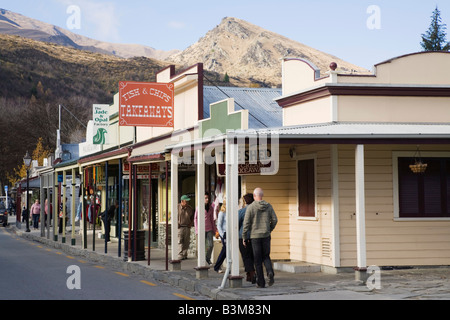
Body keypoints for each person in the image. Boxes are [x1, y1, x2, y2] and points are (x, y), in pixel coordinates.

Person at [242, 188, 278, 288]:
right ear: (262, 195)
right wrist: (269, 229)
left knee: (257, 260)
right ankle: (270, 272)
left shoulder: (251, 207)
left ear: (254, 196)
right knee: (266, 256)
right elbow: (275, 220)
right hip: (266, 235)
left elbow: (246, 223)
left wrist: (245, 236)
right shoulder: (268, 206)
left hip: (255, 236)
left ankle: (261, 283)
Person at [194, 193, 217, 265]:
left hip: (209, 228)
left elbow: (212, 220)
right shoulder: (198, 208)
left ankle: (208, 258)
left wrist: (215, 229)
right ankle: (201, 259)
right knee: (202, 245)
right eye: (205, 198)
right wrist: (197, 229)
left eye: (207, 198)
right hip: (201, 229)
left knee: (210, 245)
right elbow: (195, 219)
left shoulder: (211, 208)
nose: (207, 199)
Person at [239, 193, 256, 284]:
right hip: (254, 236)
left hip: (243, 236)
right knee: (252, 256)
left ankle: (252, 273)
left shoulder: (242, 211)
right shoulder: (256, 210)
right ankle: (249, 275)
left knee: (246, 256)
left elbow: (237, 223)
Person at [177, 195, 194, 260]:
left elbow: (192, 217)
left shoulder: (189, 208)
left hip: (187, 226)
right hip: (180, 227)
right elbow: (173, 216)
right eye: (186, 201)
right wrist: (177, 223)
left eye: (187, 201)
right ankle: (180, 254)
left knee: (186, 241)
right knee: (180, 241)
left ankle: (184, 254)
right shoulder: (177, 207)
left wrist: (191, 223)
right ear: (182, 201)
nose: (187, 203)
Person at [214, 199, 227, 273]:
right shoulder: (222, 213)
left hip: (230, 233)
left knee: (227, 251)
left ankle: (219, 266)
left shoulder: (231, 212)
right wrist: (222, 235)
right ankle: (217, 266)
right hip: (224, 233)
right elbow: (219, 225)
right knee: (225, 250)